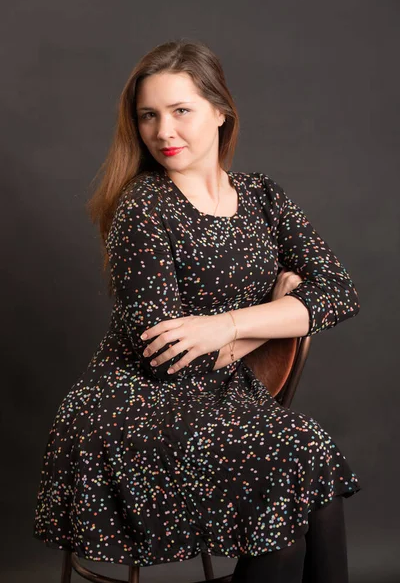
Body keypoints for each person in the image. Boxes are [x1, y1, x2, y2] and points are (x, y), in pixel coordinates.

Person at [33, 39, 361, 582]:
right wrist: (278, 314)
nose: (164, 132)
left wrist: (226, 327)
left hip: (223, 400)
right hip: (133, 406)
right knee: (300, 456)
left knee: (304, 463)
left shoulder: (262, 197)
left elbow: (338, 292)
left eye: (181, 110)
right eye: (148, 116)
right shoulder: (143, 205)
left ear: (220, 111)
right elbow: (170, 354)